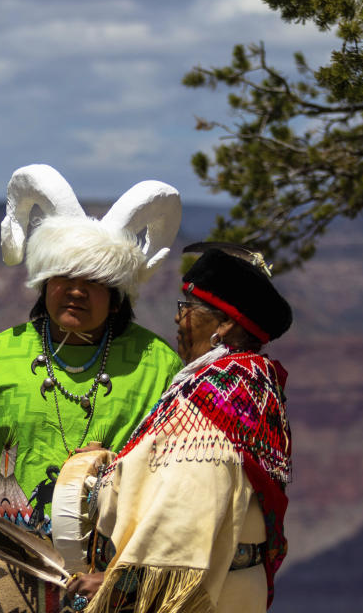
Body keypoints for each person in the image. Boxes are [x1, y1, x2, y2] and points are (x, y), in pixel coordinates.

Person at [0, 164, 184, 613]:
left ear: (117, 292)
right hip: (15, 572)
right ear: (45, 279)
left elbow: (177, 480)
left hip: (114, 585)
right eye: (64, 276)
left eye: (94, 282)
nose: (76, 292)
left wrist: (127, 574)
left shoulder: (156, 365)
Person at [65, 244, 293, 613]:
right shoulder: (254, 383)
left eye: (187, 307)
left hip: (201, 594)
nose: (178, 318)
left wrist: (119, 583)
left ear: (224, 324)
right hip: (233, 585)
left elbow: (182, 513)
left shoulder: (212, 397)